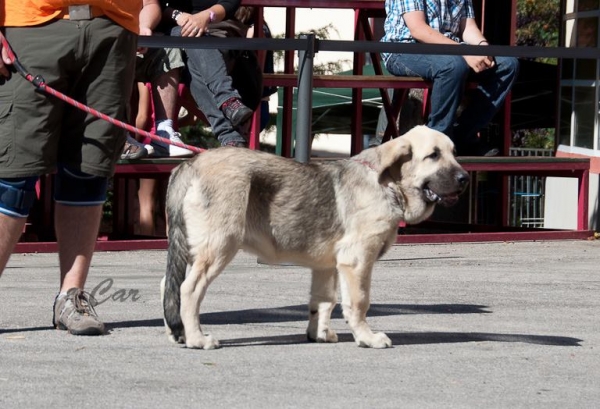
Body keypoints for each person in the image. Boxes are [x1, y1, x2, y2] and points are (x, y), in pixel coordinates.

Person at [0, 1, 141, 335]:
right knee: (13, 173)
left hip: (114, 23)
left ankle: (71, 296)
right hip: (30, 25)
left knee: (89, 169)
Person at [381, 0, 520, 156]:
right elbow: (418, 30)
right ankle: (437, 142)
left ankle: (462, 136)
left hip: (449, 51)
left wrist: (482, 48)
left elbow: (468, 27)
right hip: (403, 50)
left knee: (508, 65)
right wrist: (463, 51)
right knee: (453, 66)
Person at [159, 0, 254, 147]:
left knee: (193, 60)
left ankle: (228, 132)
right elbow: (154, 5)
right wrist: (179, 16)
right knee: (192, 37)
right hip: (177, 28)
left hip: (218, 25)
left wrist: (206, 16)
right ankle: (228, 101)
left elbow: (231, 2)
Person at [122, 0, 193, 159]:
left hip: (134, 36)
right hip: (105, 36)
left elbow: (151, 4)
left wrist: (144, 28)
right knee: (116, 49)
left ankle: (164, 134)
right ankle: (117, 135)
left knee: (167, 48)